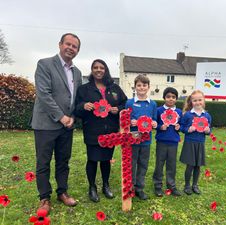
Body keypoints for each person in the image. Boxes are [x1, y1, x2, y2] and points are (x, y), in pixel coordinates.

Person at [31, 33, 82, 213]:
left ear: (77, 51)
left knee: (63, 161)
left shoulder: (77, 72)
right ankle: (44, 198)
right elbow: (44, 94)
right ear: (60, 44)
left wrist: (73, 117)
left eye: (74, 46)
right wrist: (61, 117)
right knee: (43, 162)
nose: (71, 48)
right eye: (68, 44)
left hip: (67, 126)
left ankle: (63, 192)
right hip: (46, 124)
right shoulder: (44, 64)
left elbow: (76, 98)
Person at [74, 59, 127, 202]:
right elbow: (76, 108)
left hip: (110, 130)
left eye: (101, 67)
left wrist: (119, 109)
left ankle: (106, 185)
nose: (98, 70)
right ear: (92, 70)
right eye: (95, 67)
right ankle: (92, 187)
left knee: (106, 160)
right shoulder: (84, 89)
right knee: (92, 159)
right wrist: (83, 105)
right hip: (92, 130)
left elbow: (125, 103)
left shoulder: (114, 88)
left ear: (106, 70)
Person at [125, 74, 157, 200]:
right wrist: (130, 121)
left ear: (148, 87)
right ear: (135, 87)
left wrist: (154, 123)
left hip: (146, 140)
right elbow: (124, 121)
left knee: (143, 164)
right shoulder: (130, 102)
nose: (141, 88)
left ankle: (139, 188)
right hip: (132, 140)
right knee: (131, 164)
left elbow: (154, 120)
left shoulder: (152, 104)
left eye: (144, 85)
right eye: (139, 85)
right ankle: (130, 188)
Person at [179, 90, 212, 195]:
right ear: (191, 102)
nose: (198, 102)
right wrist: (188, 129)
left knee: (198, 165)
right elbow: (182, 127)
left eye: (200, 100)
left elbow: (209, 129)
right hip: (190, 143)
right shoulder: (188, 115)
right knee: (190, 165)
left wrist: (208, 131)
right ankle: (187, 185)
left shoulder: (207, 115)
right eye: (195, 100)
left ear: (203, 100)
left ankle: (195, 185)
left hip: (200, 143)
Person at [153, 87, 182, 197]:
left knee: (171, 165)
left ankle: (171, 185)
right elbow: (154, 124)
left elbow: (182, 125)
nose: (171, 99)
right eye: (168, 97)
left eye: (173, 97)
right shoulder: (159, 110)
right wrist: (160, 127)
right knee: (159, 163)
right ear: (164, 97)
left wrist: (179, 127)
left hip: (173, 142)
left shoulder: (178, 112)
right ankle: (158, 185)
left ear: (176, 99)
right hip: (161, 141)